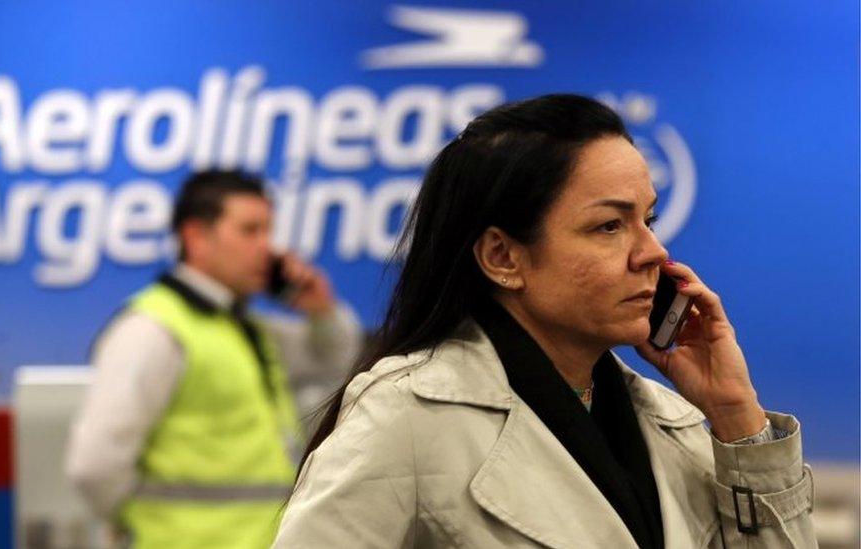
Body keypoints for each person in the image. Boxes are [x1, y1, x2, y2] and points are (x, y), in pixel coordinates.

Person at [272, 95, 816, 548]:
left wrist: (736, 417)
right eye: (609, 226)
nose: (653, 252)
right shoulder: (407, 415)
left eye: (646, 219)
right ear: (504, 258)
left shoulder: (671, 421)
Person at [66, 170, 363, 548]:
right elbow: (94, 466)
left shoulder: (244, 327)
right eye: (249, 231)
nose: (267, 249)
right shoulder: (153, 331)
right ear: (196, 237)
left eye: (268, 232)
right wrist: (141, 526)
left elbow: (332, 356)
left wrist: (320, 309)